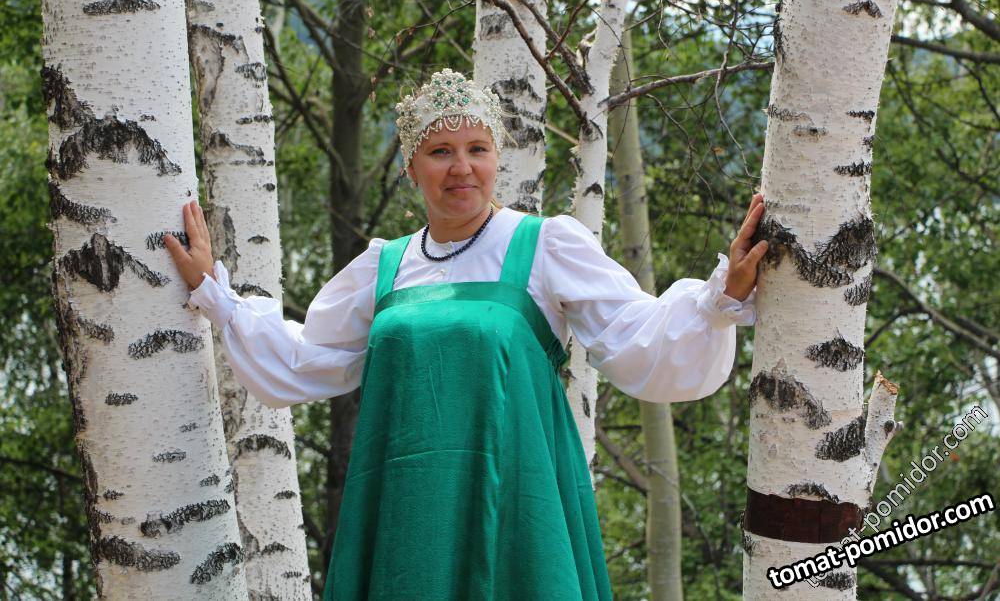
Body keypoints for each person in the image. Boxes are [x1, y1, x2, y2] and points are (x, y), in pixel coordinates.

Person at [164, 68, 768, 600]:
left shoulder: (544, 245)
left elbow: (634, 336)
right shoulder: (384, 266)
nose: (461, 167)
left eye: (477, 149)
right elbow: (307, 357)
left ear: (497, 159)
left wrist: (720, 298)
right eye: (440, 152)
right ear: (412, 168)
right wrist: (217, 297)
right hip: (407, 511)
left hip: (518, 497)